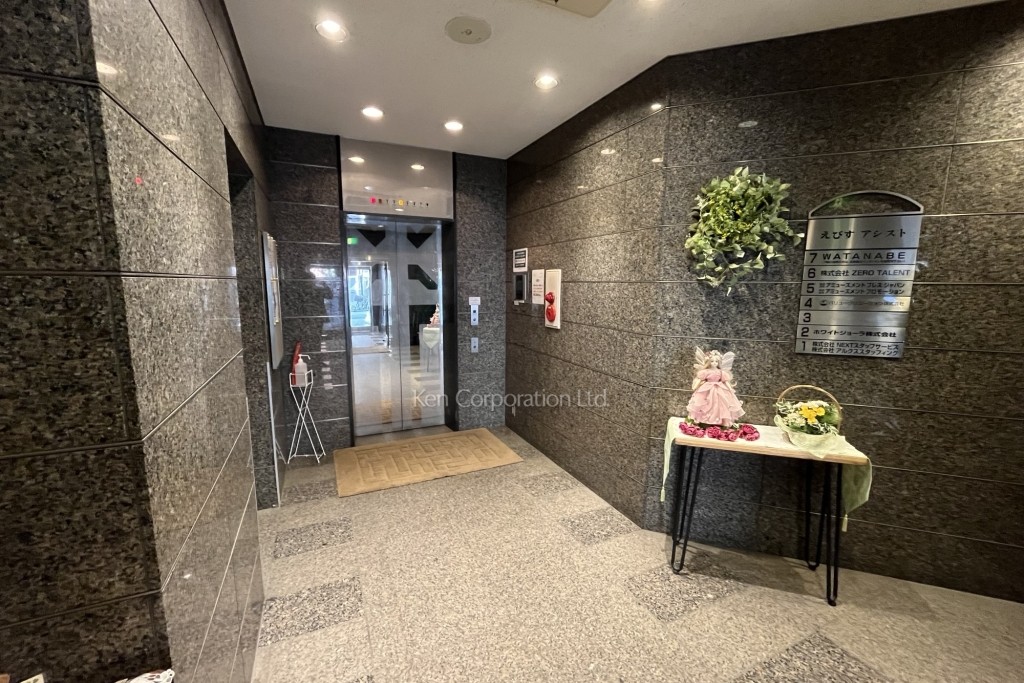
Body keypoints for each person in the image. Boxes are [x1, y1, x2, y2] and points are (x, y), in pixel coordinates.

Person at [686, 348, 745, 426]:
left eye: (716, 361)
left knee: (720, 404)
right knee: (704, 403)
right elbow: (700, 379)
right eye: (712, 361)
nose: (714, 363)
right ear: (709, 362)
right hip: (707, 388)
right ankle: (702, 419)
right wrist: (695, 386)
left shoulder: (721, 372)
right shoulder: (706, 372)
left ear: (719, 362)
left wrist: (730, 388)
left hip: (719, 389)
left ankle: (720, 421)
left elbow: (725, 381)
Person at [370, 264, 383, 333]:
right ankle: (378, 328)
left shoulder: (376, 282)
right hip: (378, 302)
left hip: (376, 302)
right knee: (378, 316)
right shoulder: (379, 282)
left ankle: (377, 328)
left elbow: (375, 292)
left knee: (376, 316)